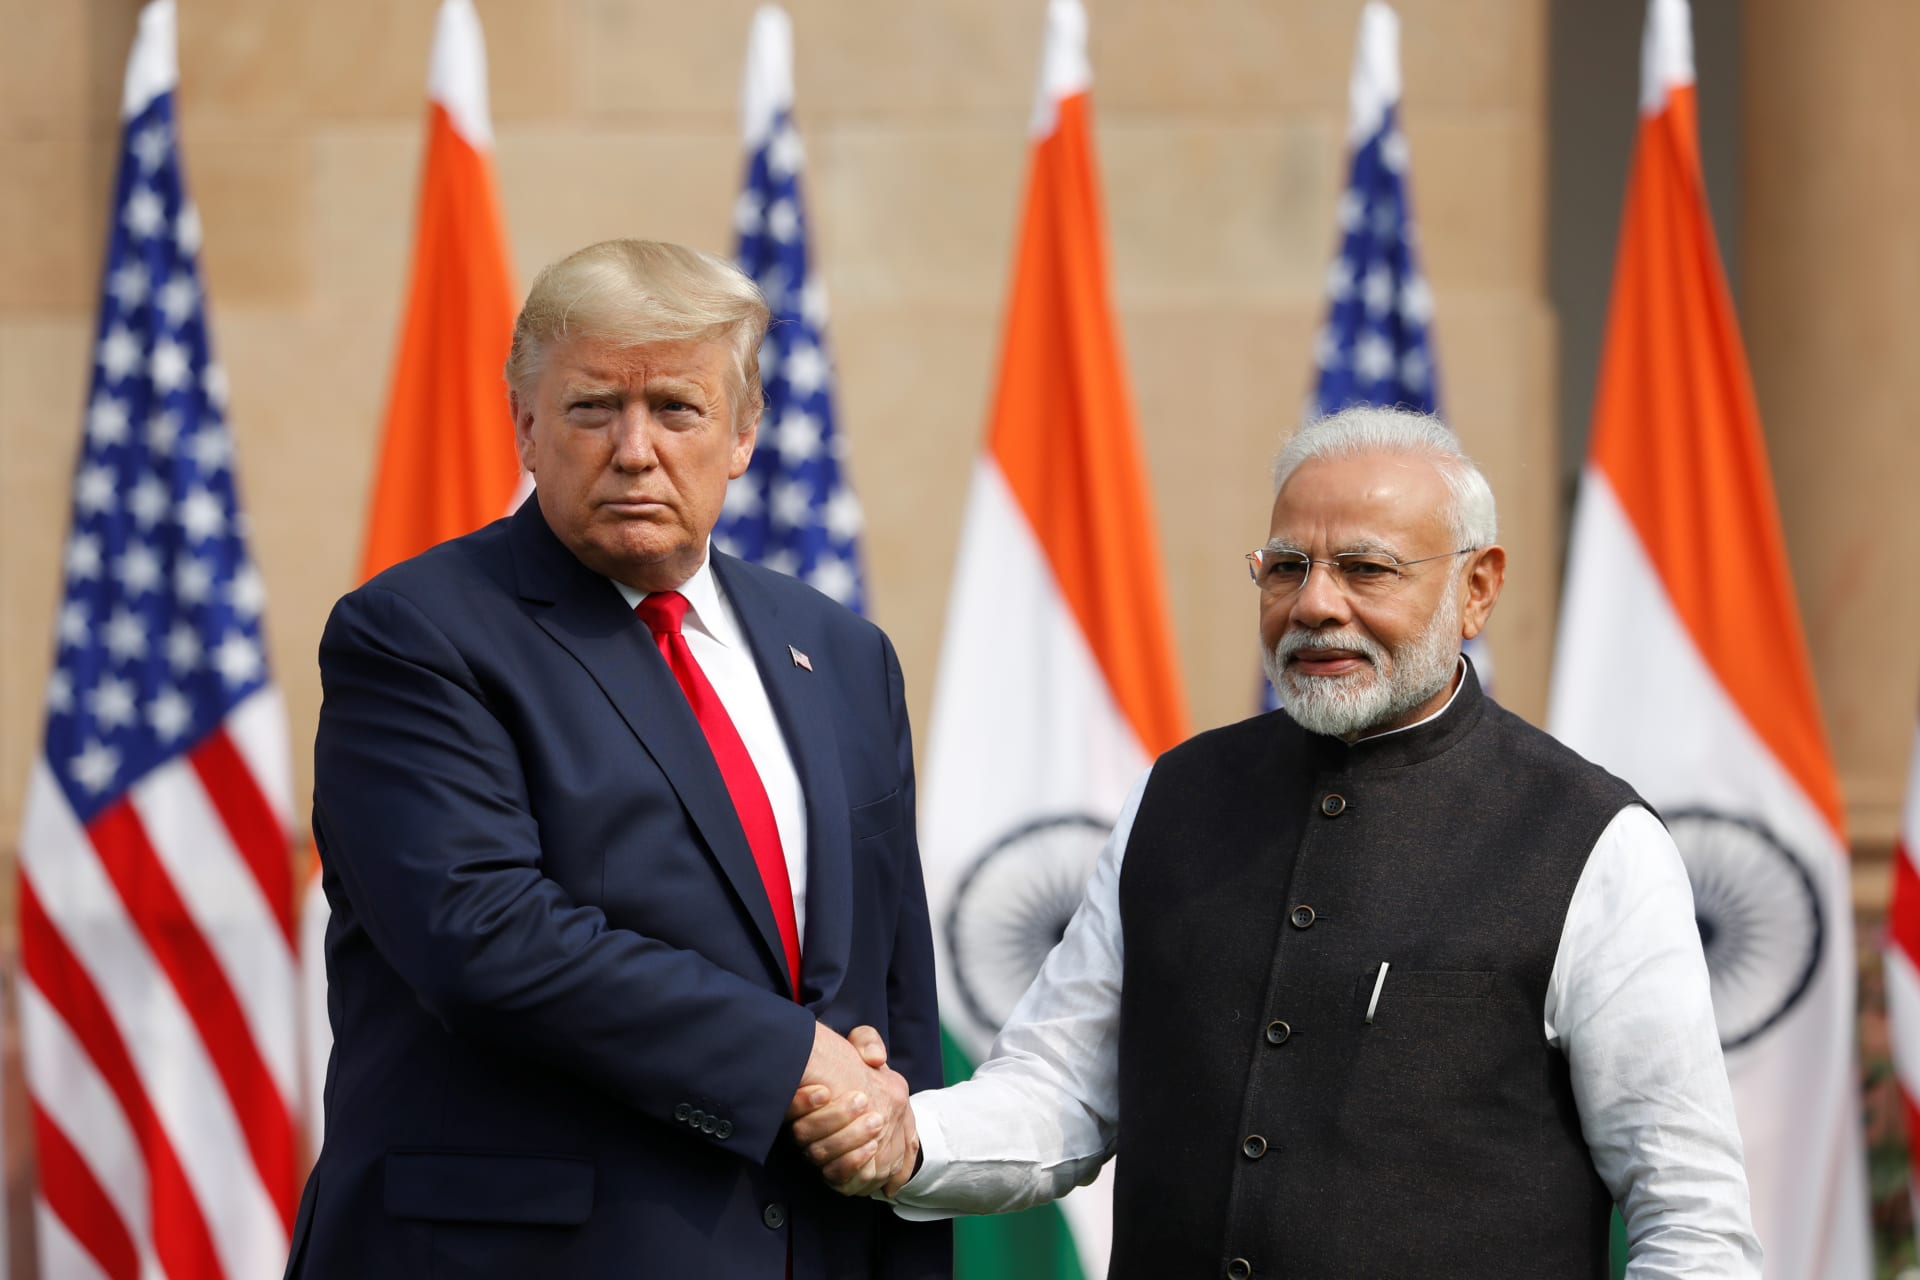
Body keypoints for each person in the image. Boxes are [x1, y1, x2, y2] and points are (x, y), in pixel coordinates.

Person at [793, 406, 1761, 1278]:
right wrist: (903, 1133)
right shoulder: (1177, 796)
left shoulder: (1592, 840)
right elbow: (1060, 1090)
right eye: (1287, 566)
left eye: (1367, 567)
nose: (1316, 604)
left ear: (1478, 588)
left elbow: (1691, 1216)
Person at [286, 239, 946, 1279]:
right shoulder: (415, 634)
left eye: (677, 409)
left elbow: (894, 989)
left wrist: (902, 1185)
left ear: (741, 435)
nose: (635, 448)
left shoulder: (846, 655)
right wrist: (785, 1058)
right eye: (595, 407)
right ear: (526, 427)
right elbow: (483, 934)